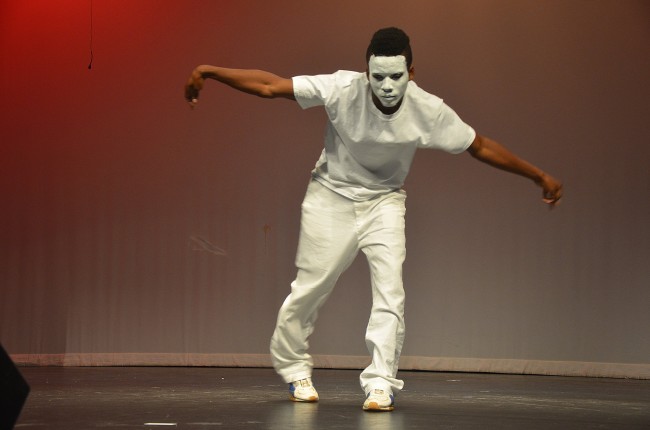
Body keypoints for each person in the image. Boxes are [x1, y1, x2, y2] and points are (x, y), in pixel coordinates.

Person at [184, 27, 563, 412]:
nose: (385, 86)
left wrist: (537, 175)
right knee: (310, 289)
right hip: (330, 195)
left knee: (390, 293)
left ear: (411, 73)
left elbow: (478, 145)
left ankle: (381, 383)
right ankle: (296, 368)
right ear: (366, 72)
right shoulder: (341, 88)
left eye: (395, 77)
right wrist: (211, 70)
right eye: (377, 76)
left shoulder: (427, 109)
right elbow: (271, 86)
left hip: (384, 202)